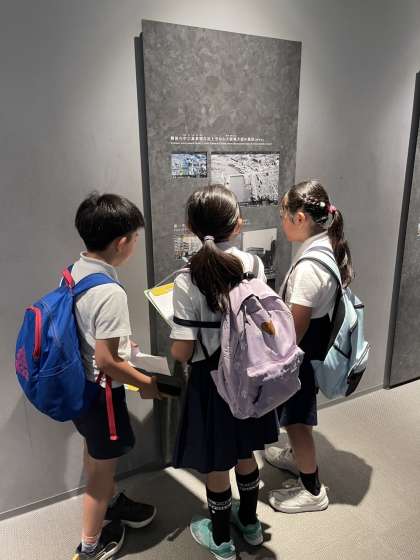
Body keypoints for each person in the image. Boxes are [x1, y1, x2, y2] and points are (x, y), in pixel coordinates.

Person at [170, 185, 279, 560]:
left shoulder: (186, 279)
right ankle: (249, 523)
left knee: (217, 462)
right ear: (238, 224)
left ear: (190, 227)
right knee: (246, 450)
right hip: (249, 375)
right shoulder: (253, 265)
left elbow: (182, 350)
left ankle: (220, 540)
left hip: (210, 381)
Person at [71, 193, 163, 559]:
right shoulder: (109, 292)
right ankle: (90, 547)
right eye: (135, 238)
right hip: (103, 392)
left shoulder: (76, 270)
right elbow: (107, 361)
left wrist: (122, 344)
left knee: (94, 454)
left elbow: (89, 334)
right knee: (100, 474)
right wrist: (148, 383)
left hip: (80, 386)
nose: (135, 244)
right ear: (122, 242)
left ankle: (111, 502)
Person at [265, 179, 353, 513]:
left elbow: (294, 329)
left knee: (297, 421)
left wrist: (268, 341)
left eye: (283, 215)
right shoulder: (327, 245)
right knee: (297, 416)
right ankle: (296, 459)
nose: (282, 222)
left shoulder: (309, 269)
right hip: (313, 347)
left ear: (300, 218)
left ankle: (313, 490)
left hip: (301, 354)